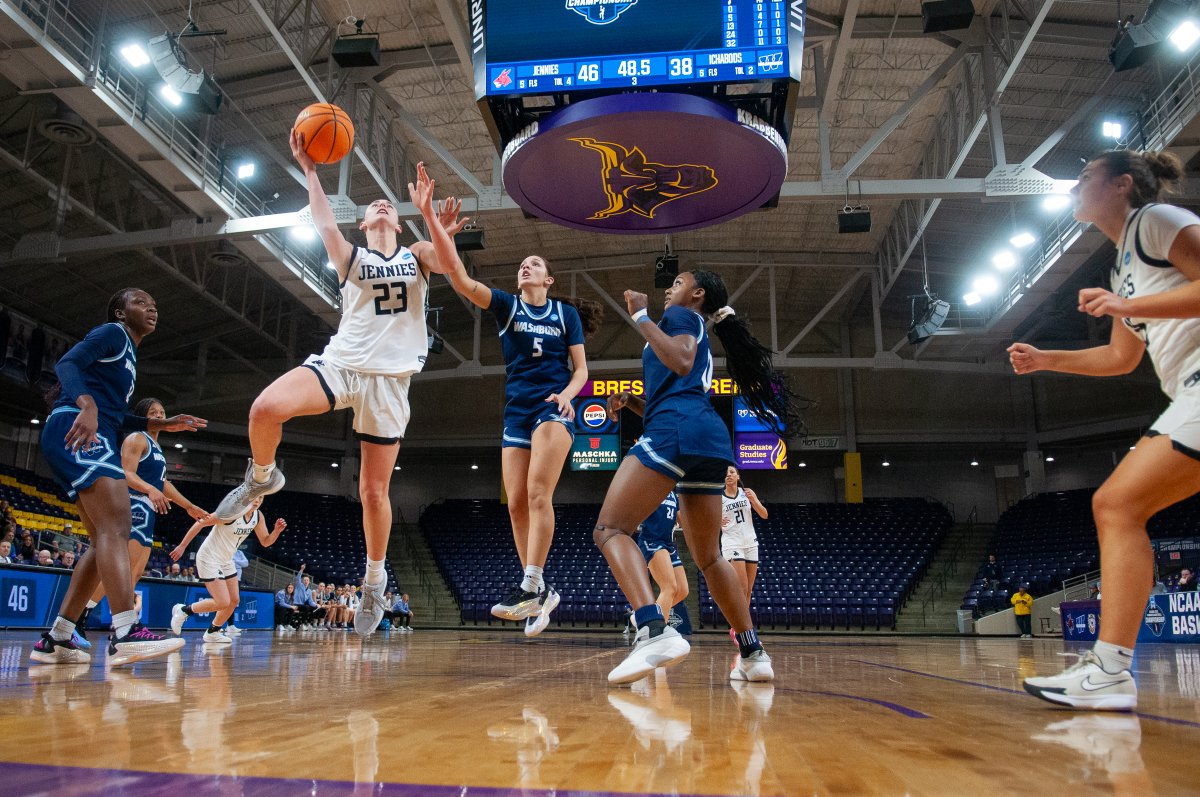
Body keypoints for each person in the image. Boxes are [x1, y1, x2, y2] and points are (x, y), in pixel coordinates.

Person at [210, 133, 462, 637]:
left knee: (373, 491)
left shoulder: (416, 253)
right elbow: (325, 222)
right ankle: (262, 477)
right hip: (342, 365)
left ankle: (374, 580)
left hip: (389, 382)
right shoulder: (352, 258)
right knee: (264, 408)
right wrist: (310, 170)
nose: (381, 205)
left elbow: (452, 265)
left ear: (399, 222)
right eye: (372, 207)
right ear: (364, 225)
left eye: (388, 205)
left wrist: (430, 216)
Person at [1012, 149, 1200, 711]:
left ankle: (1111, 669)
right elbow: (1121, 358)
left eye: (1086, 174)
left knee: (1117, 505)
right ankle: (1110, 670)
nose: (1076, 183)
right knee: (1120, 507)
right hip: (1187, 391)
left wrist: (1128, 303)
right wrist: (1047, 359)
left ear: (1122, 185)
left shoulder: (1157, 220)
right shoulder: (1121, 267)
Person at [412, 163, 601, 638]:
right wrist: (435, 224)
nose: (526, 266)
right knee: (515, 504)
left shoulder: (564, 315)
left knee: (538, 493)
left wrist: (568, 394)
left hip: (553, 408)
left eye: (534, 264)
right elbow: (459, 279)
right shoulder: (506, 306)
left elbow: (582, 370)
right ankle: (539, 591)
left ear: (549, 280)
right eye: (523, 265)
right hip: (516, 411)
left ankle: (530, 585)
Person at [597, 270, 804, 684]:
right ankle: (753, 653)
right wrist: (634, 402)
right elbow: (679, 384)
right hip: (706, 437)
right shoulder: (692, 325)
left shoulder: (680, 317)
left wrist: (640, 316)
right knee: (709, 557)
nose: (668, 289)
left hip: (677, 429)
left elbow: (681, 359)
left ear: (697, 294)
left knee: (610, 529)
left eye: (677, 283)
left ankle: (653, 629)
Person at [30, 288, 204, 666]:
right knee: (117, 525)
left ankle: (58, 637)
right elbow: (67, 364)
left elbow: (115, 414)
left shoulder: (128, 354)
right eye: (140, 302)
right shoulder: (113, 333)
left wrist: (162, 424)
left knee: (101, 541)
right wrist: (86, 404)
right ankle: (126, 632)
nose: (151, 306)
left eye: (154, 303)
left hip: (90, 432)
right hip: (77, 428)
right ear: (120, 313)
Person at [74, 397, 207, 648]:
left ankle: (122, 631)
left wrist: (188, 506)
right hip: (132, 504)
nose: (159, 415)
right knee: (121, 572)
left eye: (162, 411)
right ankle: (77, 618)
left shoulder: (157, 448)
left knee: (134, 574)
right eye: (153, 412)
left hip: (147, 510)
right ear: (142, 416)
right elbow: (126, 473)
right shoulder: (137, 438)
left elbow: (163, 484)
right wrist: (149, 489)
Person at [170, 497, 286, 643]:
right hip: (209, 557)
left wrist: (276, 531)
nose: (257, 500)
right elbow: (201, 522)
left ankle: (212, 632)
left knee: (234, 600)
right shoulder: (232, 512)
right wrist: (182, 546)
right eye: (255, 496)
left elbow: (265, 541)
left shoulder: (258, 516)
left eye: (261, 497)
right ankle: (183, 610)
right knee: (223, 601)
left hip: (226, 560)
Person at [636, 492, 689, 625]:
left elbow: (683, 521)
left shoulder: (673, 495)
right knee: (669, 587)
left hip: (668, 543)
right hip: (652, 540)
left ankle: (645, 617)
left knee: (682, 590)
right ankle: (657, 630)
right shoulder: (651, 489)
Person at [721, 466, 768, 609]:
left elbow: (764, 514)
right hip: (732, 542)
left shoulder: (747, 493)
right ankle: (737, 621)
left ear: (738, 476)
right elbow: (707, 519)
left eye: (732, 472)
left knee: (748, 591)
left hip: (750, 542)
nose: (729, 475)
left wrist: (754, 501)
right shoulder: (718, 497)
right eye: (726, 474)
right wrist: (716, 521)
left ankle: (743, 621)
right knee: (742, 588)